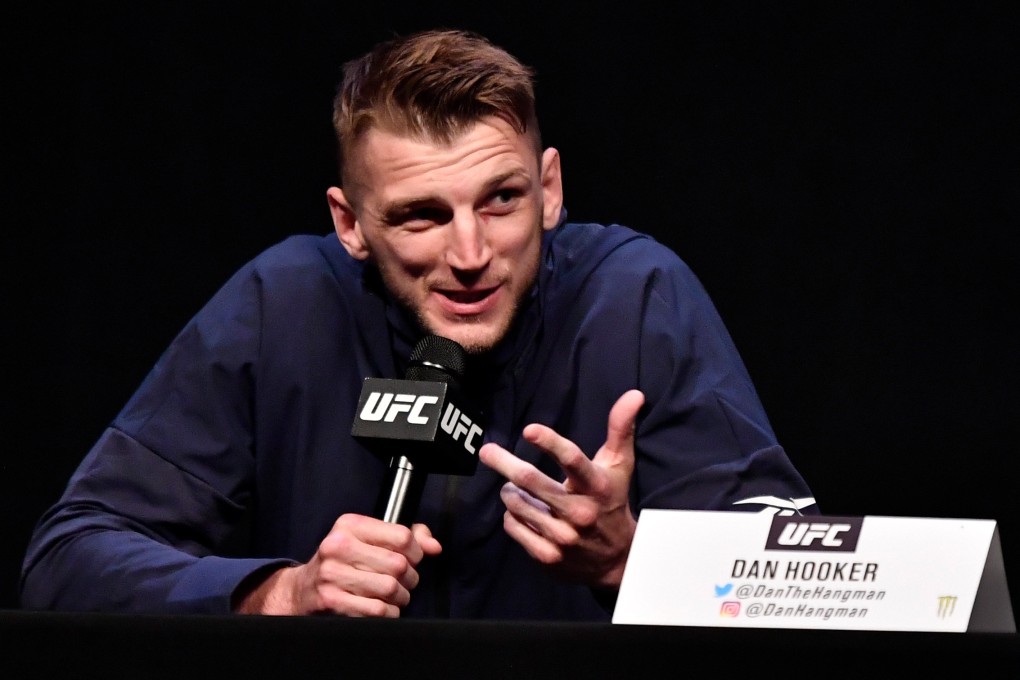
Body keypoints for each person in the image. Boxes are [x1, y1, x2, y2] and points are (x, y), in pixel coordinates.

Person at [20, 28, 817, 620]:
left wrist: (630, 555)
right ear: (350, 223)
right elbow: (67, 559)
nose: (469, 254)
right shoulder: (282, 304)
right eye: (420, 216)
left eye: (502, 200)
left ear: (550, 189)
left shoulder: (637, 296)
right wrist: (281, 590)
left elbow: (802, 584)